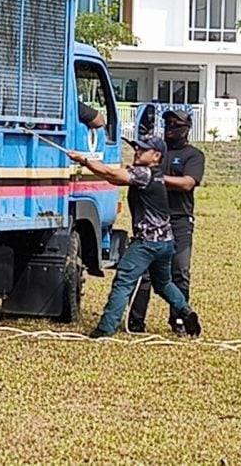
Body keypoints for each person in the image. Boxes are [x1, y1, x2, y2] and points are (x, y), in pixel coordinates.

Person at [68, 135, 202, 339]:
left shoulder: (144, 174)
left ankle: (105, 329)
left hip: (146, 243)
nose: (137, 151)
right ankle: (186, 312)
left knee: (123, 281)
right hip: (165, 242)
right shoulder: (156, 175)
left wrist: (84, 160)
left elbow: (111, 173)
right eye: (137, 148)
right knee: (164, 284)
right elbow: (112, 177)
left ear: (156, 156)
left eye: (143, 149)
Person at [128, 109, 204, 334]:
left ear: (187, 128)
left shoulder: (194, 155)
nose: (170, 128)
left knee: (179, 270)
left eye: (176, 124)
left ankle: (179, 319)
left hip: (179, 219)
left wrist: (158, 178)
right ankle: (135, 320)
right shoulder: (156, 151)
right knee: (145, 272)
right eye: (167, 123)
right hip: (152, 218)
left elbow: (188, 183)